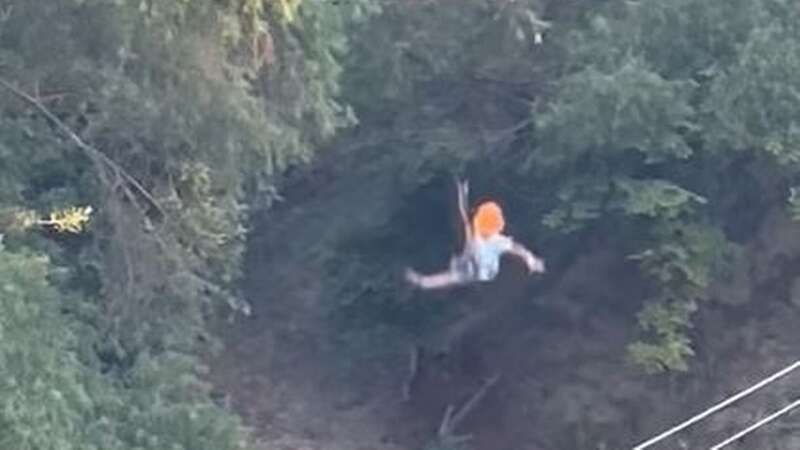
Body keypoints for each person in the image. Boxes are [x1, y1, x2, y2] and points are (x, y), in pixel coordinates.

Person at [405, 178, 545, 290]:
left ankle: (460, 188)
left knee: (466, 231)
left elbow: (517, 250)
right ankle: (461, 188)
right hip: (475, 266)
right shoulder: (487, 240)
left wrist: (530, 260)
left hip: (479, 266)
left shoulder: (496, 240)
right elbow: (449, 277)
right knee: (465, 231)